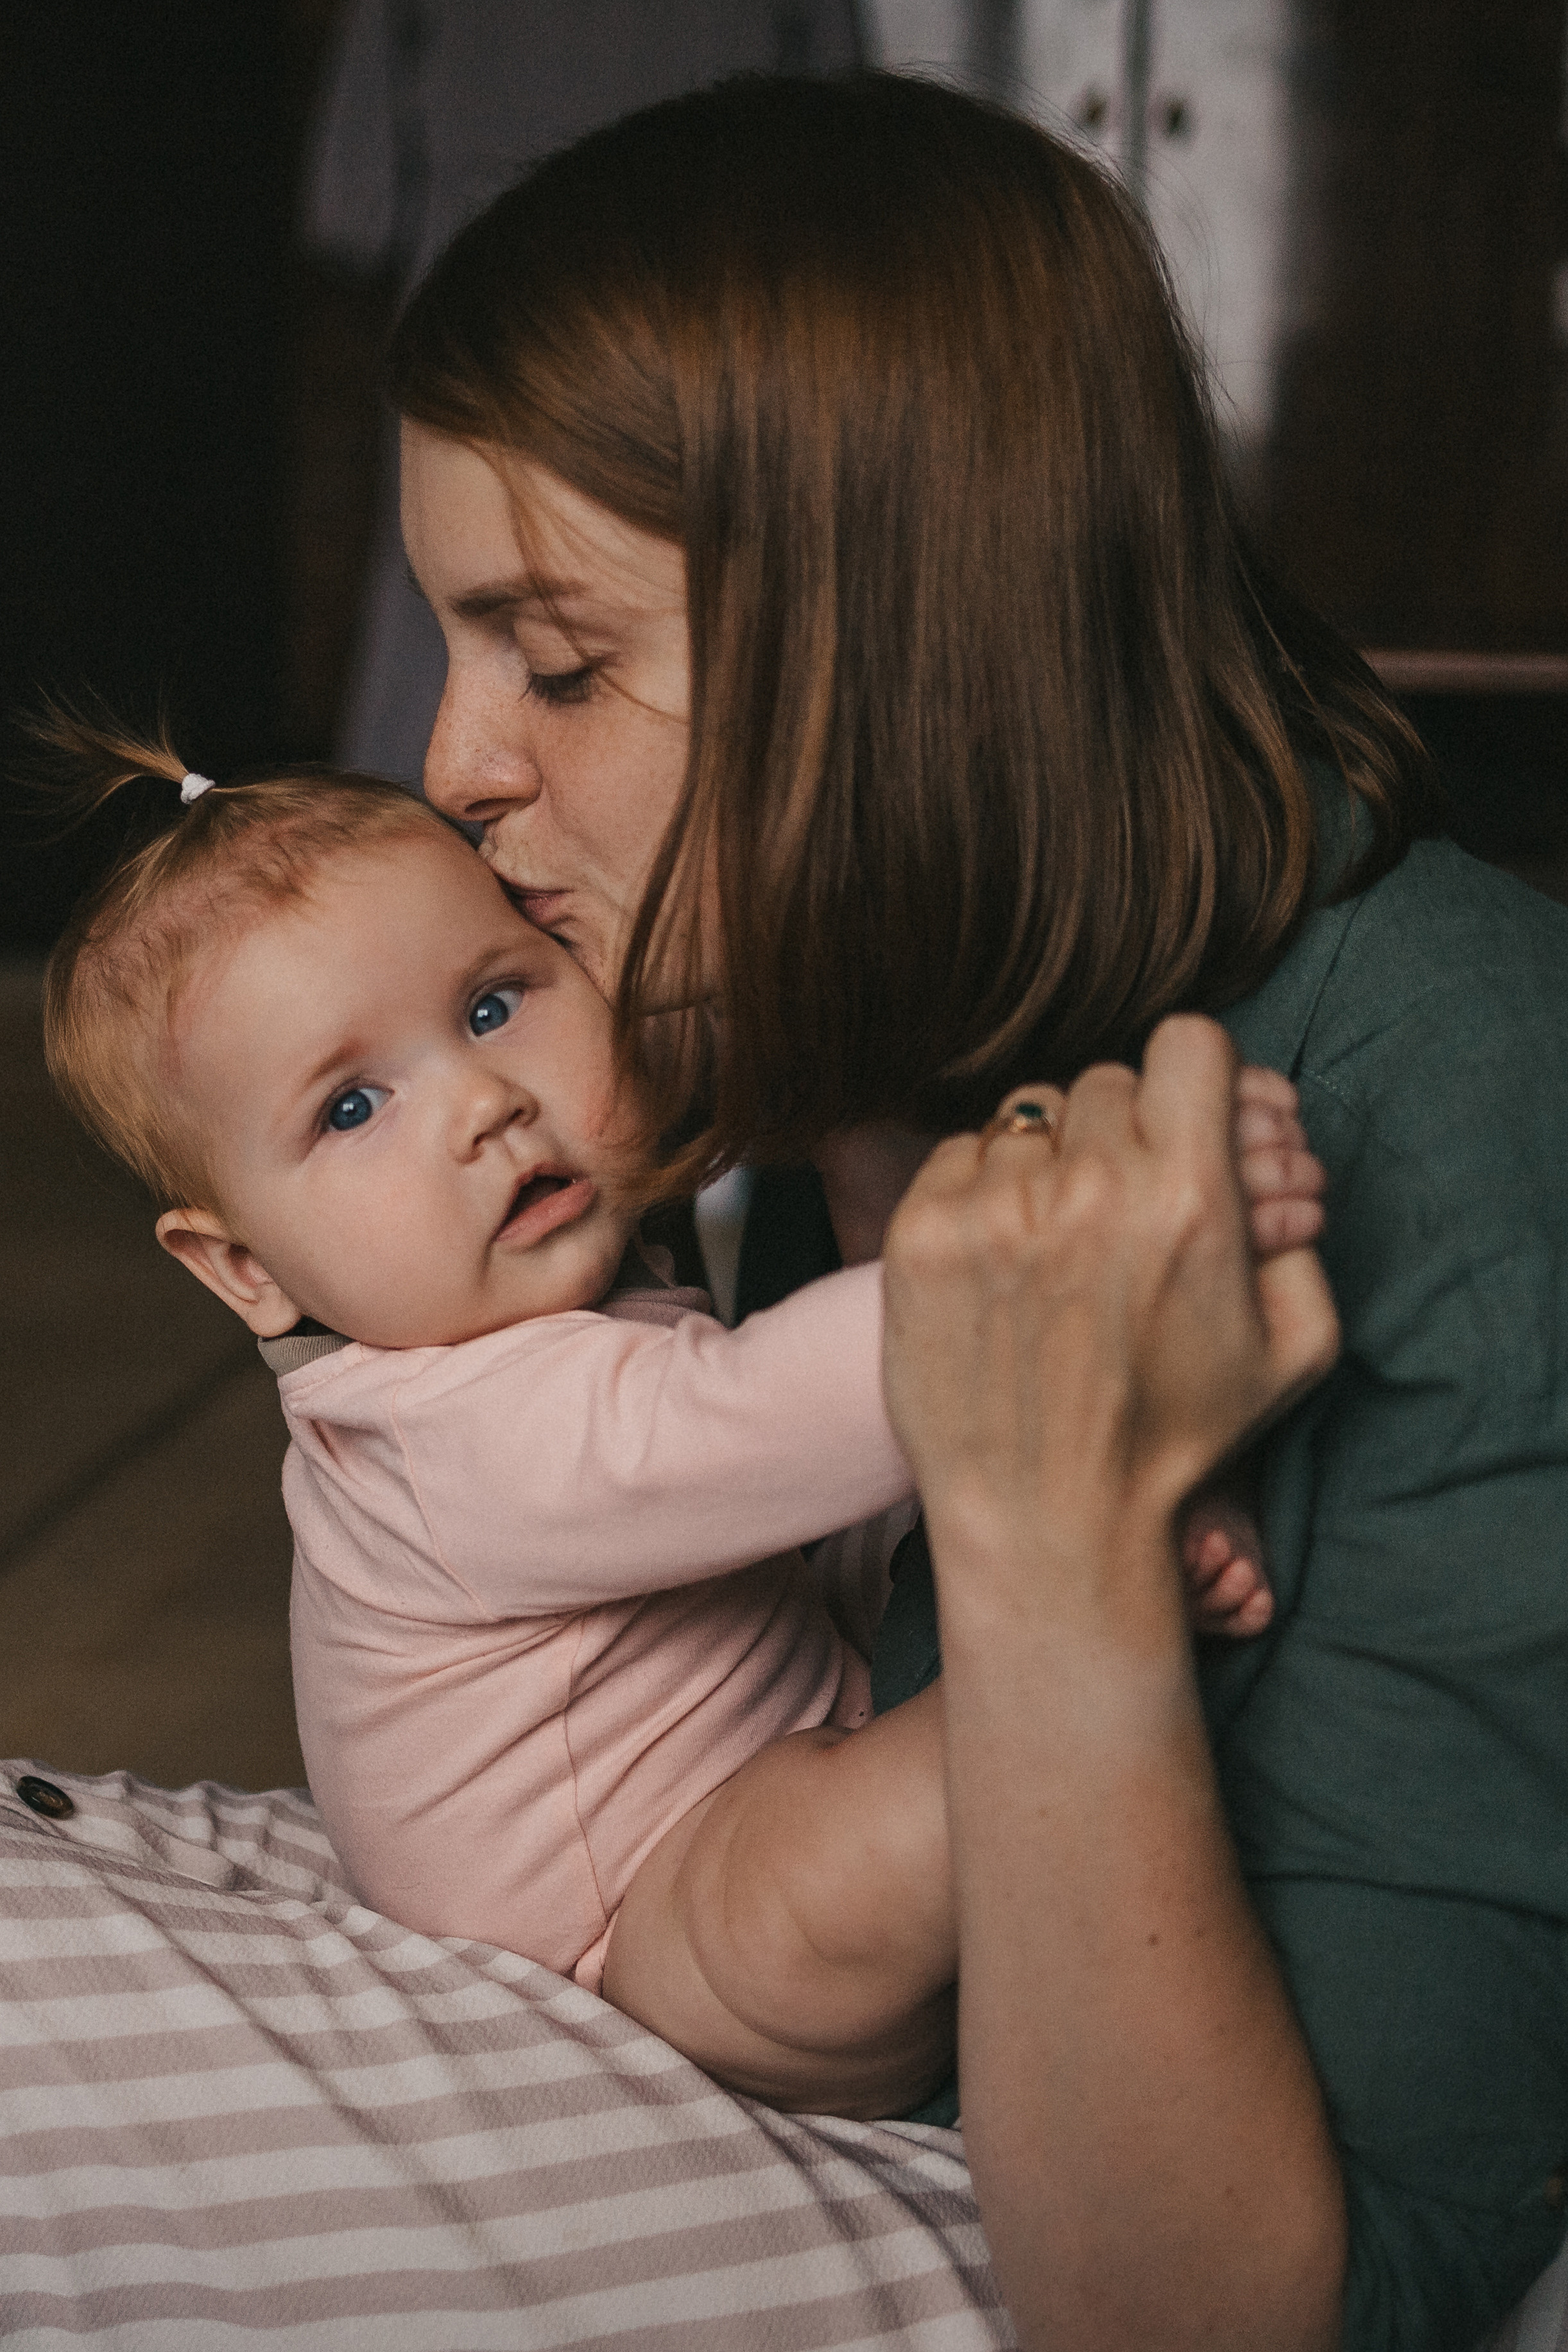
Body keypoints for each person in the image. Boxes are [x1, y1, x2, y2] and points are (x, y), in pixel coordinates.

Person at [380, 68, 1568, 2352]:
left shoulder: (1471, 1119)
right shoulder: (886, 1026)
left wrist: (1049, 1531)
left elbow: (1236, 2313)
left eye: (559, 656)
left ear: (903, 649)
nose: (454, 765)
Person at [38, 726, 1316, 2125]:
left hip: (782, 1717)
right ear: (246, 1268)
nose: (482, 1102)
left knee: (883, 1513)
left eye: (491, 1005)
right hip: (639, 1955)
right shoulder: (440, 1443)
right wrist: (1065, 1244)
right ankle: (1095, 1621)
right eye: (352, 1107)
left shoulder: (547, 1280)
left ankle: (1100, 1507)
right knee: (816, 1861)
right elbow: (745, 1411)